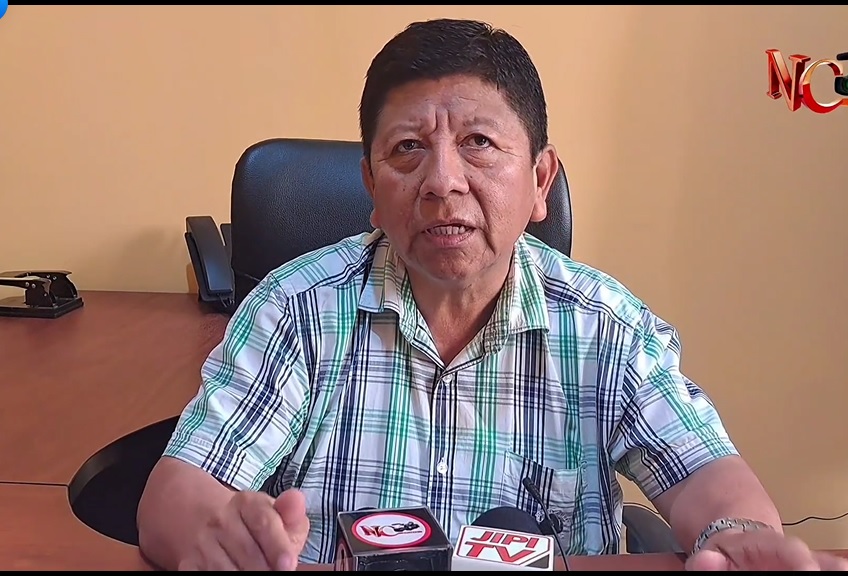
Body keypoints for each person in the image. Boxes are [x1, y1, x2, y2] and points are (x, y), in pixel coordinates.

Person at [136, 18, 848, 572]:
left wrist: (736, 533)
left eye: (478, 141)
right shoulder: (295, 310)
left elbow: (707, 477)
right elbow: (176, 496)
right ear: (372, 188)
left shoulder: (605, 327)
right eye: (407, 149)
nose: (442, 181)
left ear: (540, 181)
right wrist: (218, 533)